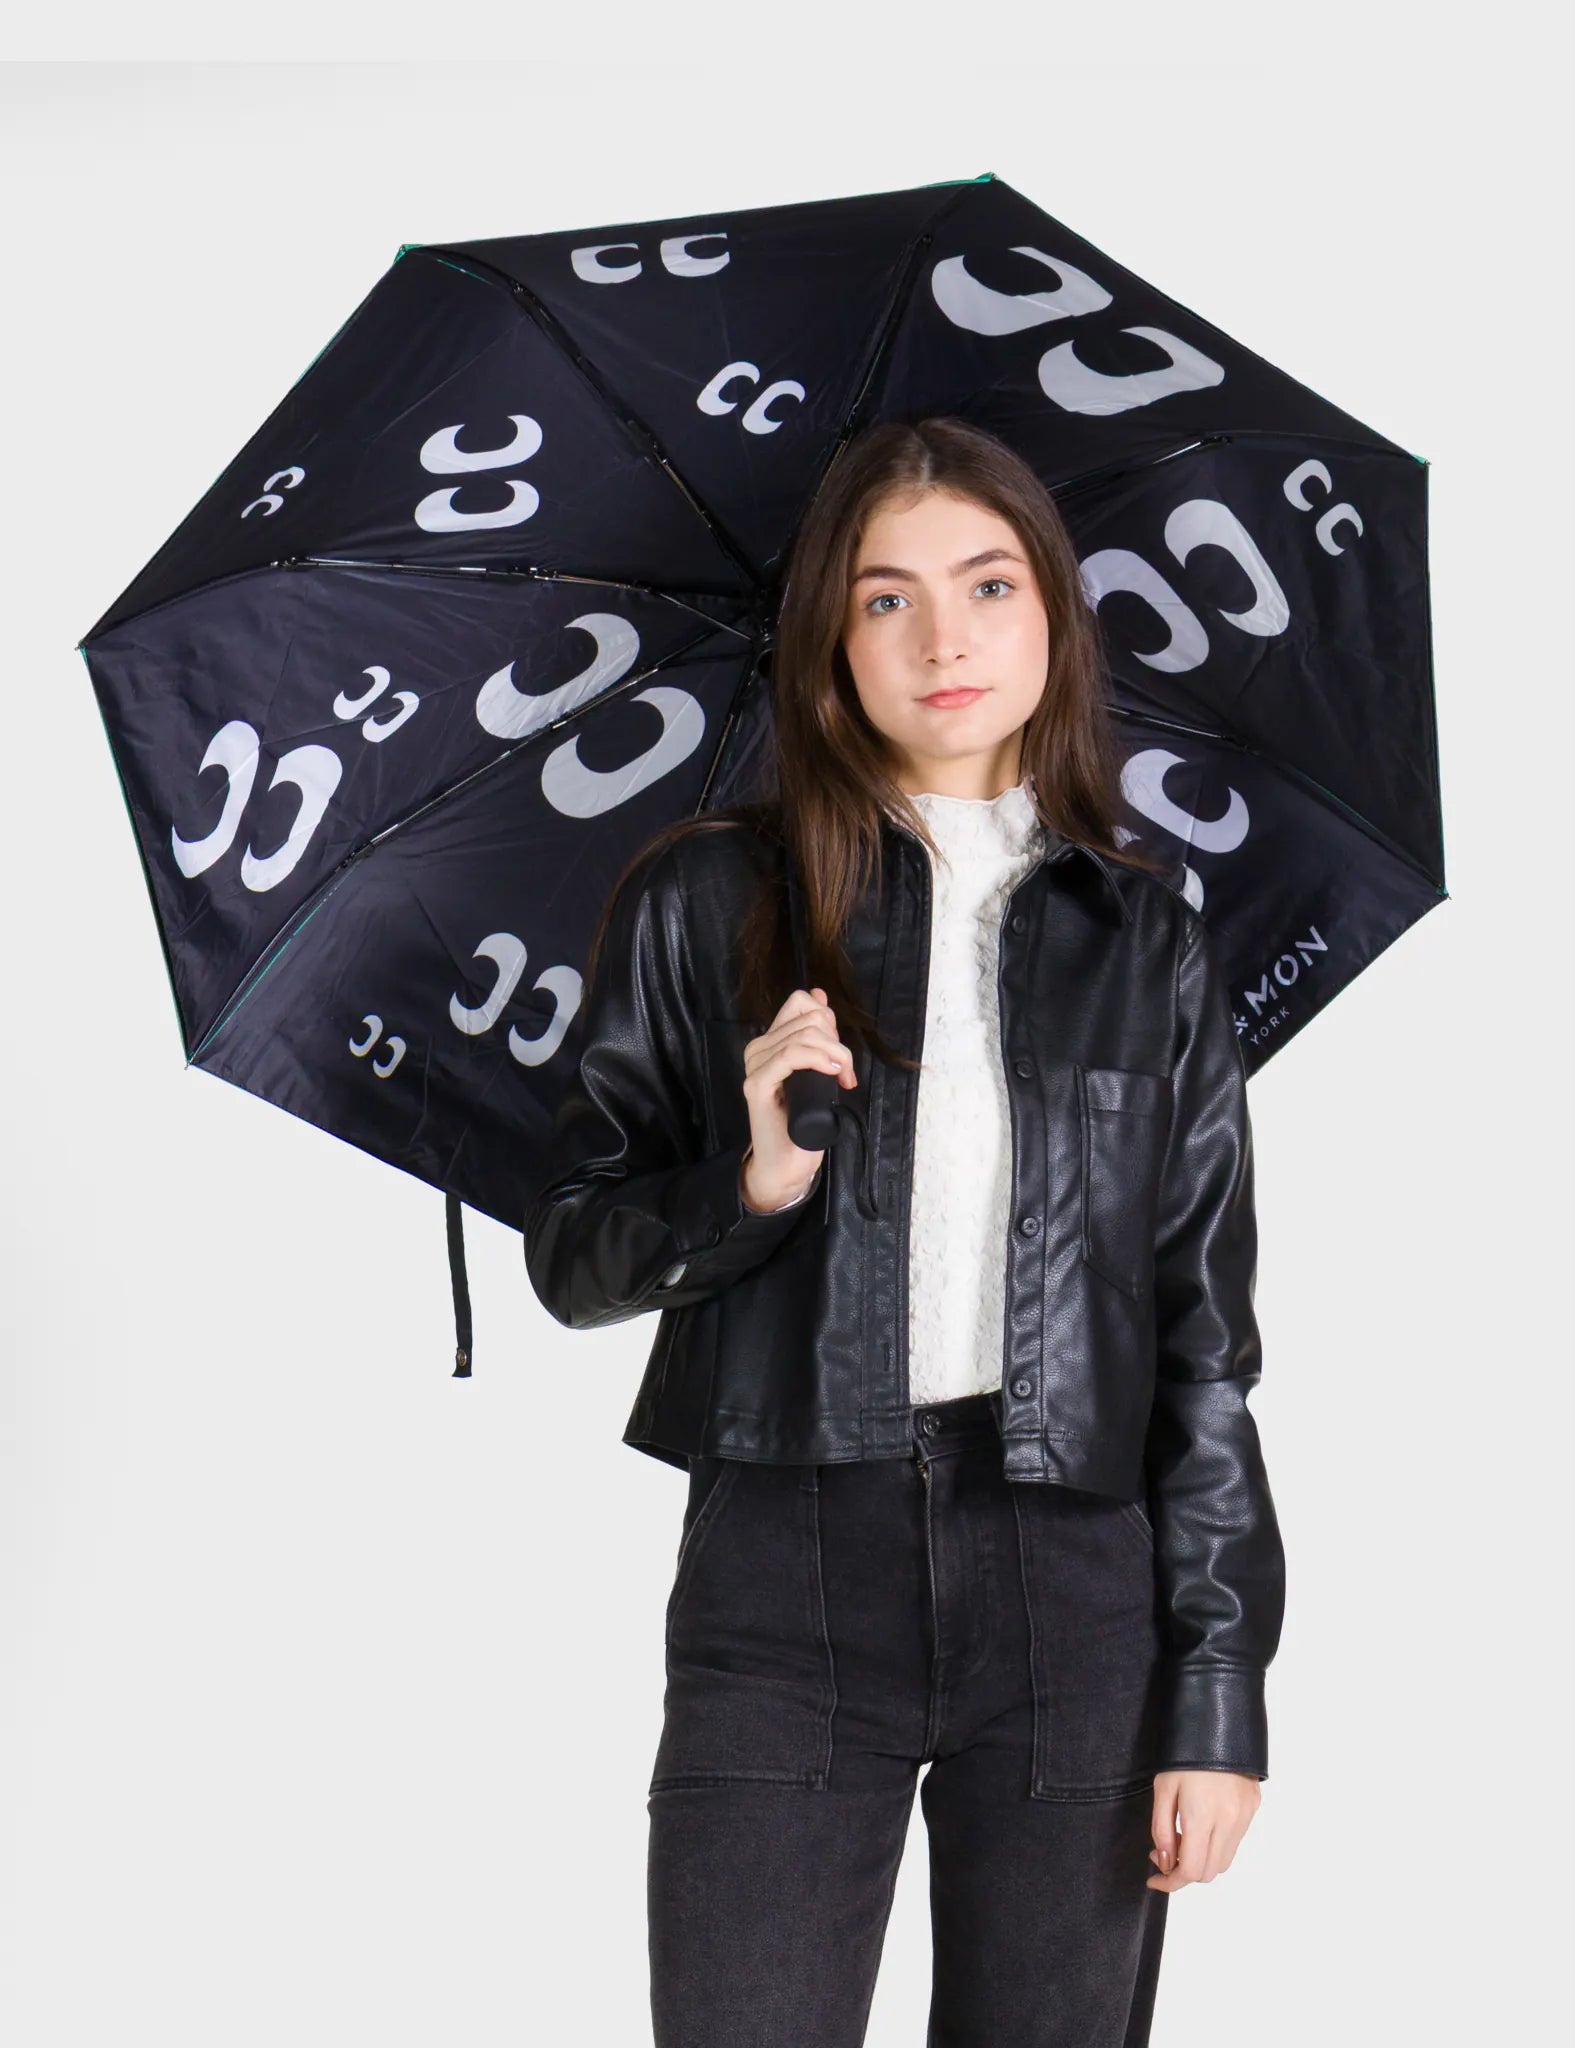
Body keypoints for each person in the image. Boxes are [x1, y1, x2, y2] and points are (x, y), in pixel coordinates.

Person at [523, 416, 1286, 2047]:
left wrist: (1218, 1691)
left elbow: (1204, 1349)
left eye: (988, 583)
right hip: (783, 1569)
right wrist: (752, 1181)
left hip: (1076, 1582)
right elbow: (572, 1257)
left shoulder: (1148, 945)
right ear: (829, 640)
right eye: (885, 599)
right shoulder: (705, 903)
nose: (944, 638)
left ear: (1052, 615)